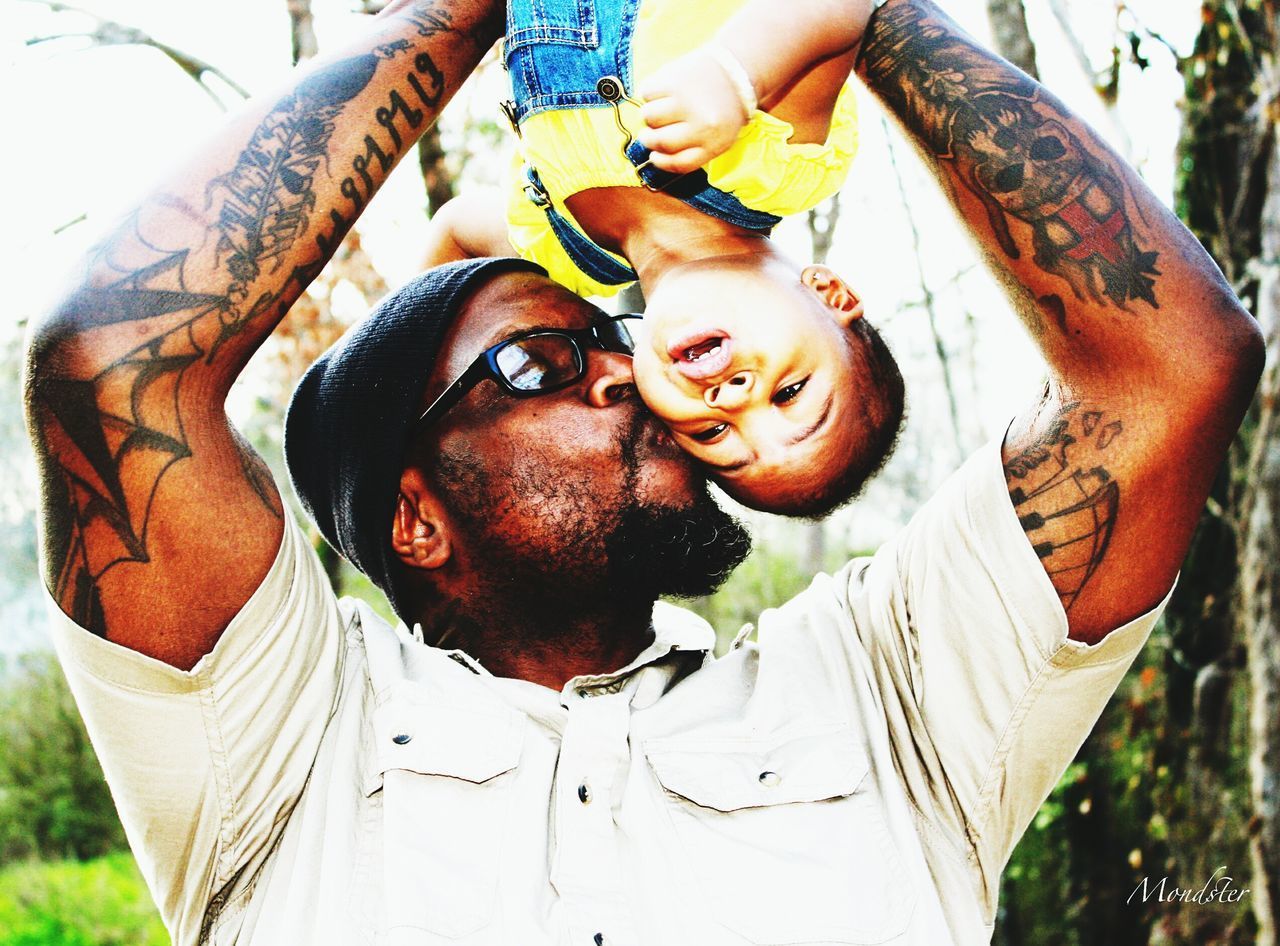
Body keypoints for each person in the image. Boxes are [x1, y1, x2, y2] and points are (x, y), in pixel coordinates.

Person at [22, 1, 1260, 945]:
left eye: (607, 342)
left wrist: (854, 22)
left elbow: (1168, 370)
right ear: (413, 518)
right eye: (534, 362)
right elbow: (110, 362)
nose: (626, 376)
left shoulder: (891, 696)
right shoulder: (280, 741)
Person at [423, 0, 898, 517]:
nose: (733, 400)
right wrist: (737, 74)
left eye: (714, 433)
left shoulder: (563, 251)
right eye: (789, 393)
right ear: (830, 295)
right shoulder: (777, 161)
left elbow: (455, 233)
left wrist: (410, 409)